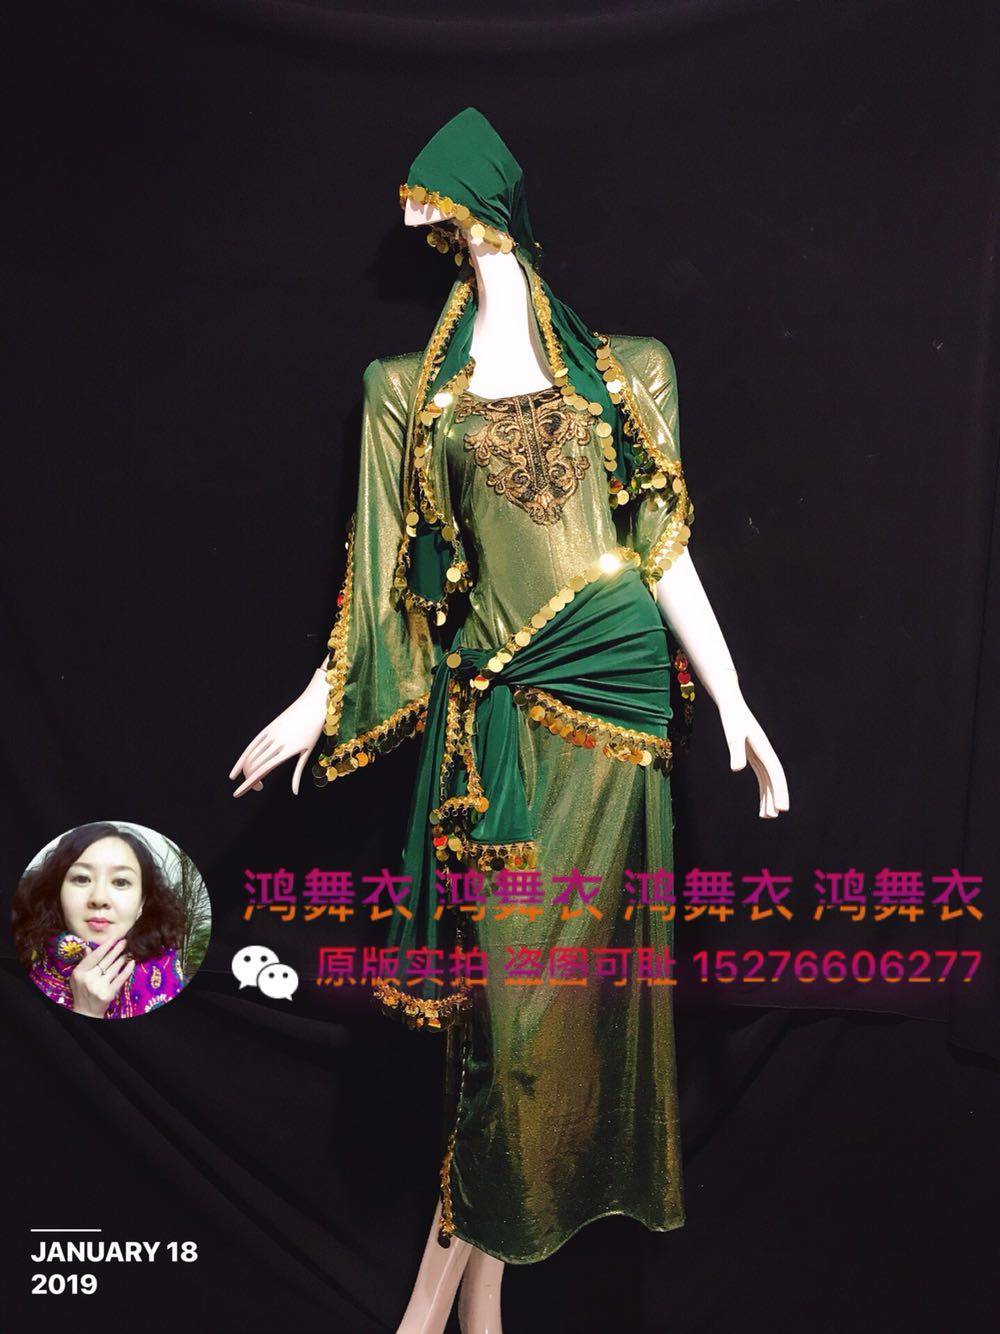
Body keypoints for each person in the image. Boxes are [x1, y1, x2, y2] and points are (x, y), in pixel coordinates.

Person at [230, 108, 788, 1334]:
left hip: (618, 706)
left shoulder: (631, 369)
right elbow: (389, 574)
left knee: (551, 1019)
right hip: (495, 722)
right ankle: (453, 1316)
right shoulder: (403, 392)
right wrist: (319, 695)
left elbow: (661, 547)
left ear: (485, 205)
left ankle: (448, 1317)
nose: (425, 226)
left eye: (437, 205)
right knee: (510, 1025)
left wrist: (734, 697)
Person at [13, 821, 188, 1020]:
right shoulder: (24, 959)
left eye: (121, 882)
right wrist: (86, 1012)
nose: (99, 898)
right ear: (58, 893)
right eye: (82, 879)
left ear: (141, 903)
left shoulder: (168, 972)